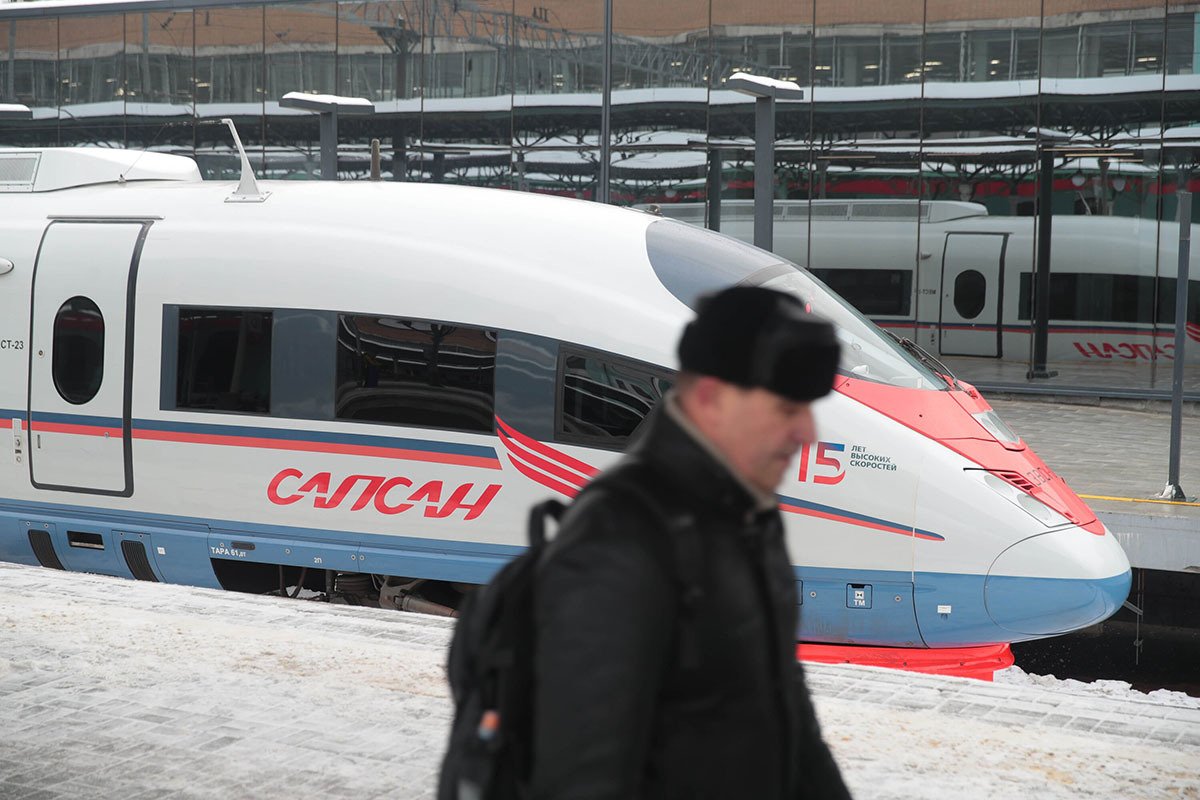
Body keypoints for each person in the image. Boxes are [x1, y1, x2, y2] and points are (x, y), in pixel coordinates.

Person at [532, 286, 853, 800]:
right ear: (710, 399)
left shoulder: (747, 513)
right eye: (787, 408)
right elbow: (580, 774)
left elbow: (783, 703)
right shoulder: (618, 539)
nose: (808, 432)